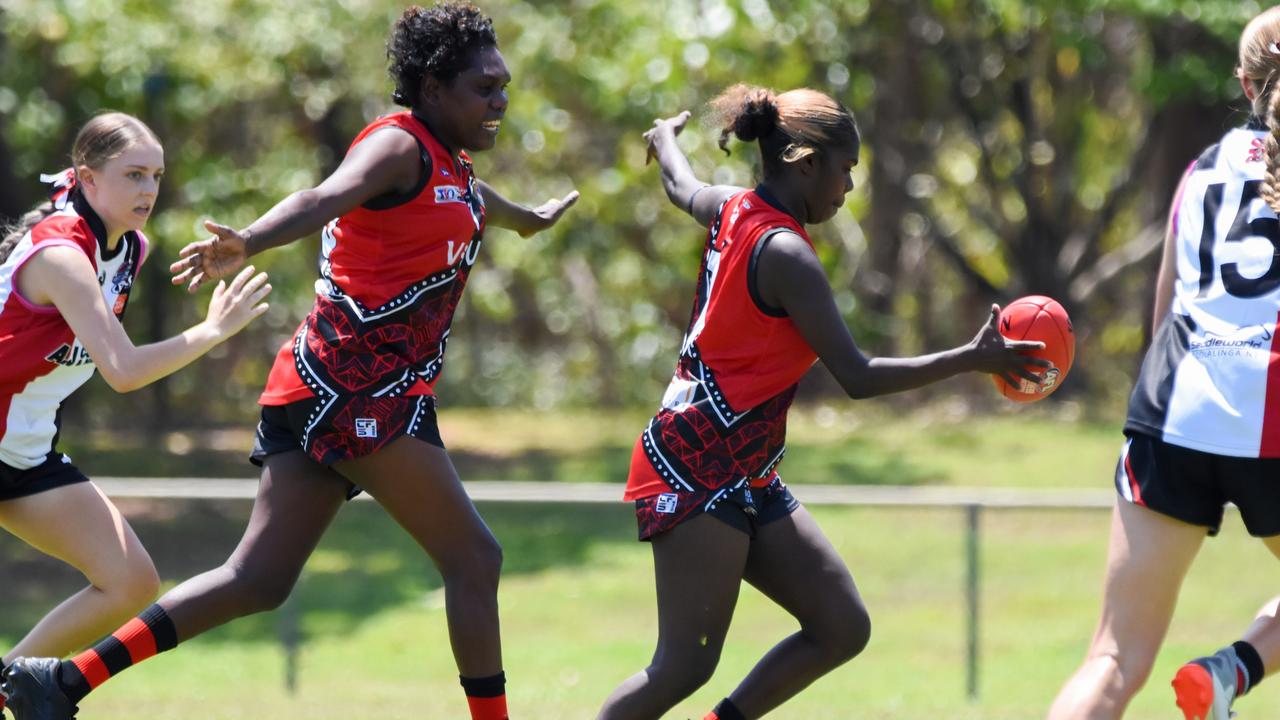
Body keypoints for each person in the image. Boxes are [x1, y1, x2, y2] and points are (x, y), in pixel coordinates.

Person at [1, 4, 576, 720]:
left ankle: (62, 682)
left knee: (257, 579)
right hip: (358, 391)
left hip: (329, 390)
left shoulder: (448, 162)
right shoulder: (399, 147)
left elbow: (477, 201)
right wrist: (251, 239)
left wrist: (529, 219)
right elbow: (323, 196)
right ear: (431, 88)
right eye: (484, 87)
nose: (500, 101)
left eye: (504, 86)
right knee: (475, 559)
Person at [596, 86, 1047, 720]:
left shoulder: (732, 208)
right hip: (695, 466)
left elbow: (680, 184)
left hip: (743, 468)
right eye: (845, 169)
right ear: (805, 161)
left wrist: (663, 137)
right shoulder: (785, 254)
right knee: (684, 665)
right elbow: (857, 377)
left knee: (840, 624)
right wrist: (971, 359)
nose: (849, 185)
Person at [1047, 8, 1280, 720]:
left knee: (1113, 659)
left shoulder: (1200, 171)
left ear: (1244, 83)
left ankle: (1232, 673)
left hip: (1174, 409)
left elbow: (1162, 314)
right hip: (1272, 414)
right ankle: (1236, 668)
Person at [0, 112, 270, 718]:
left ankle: (7, 687)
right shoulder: (63, 255)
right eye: (133, 175)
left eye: (156, 175)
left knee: (132, 583)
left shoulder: (130, 249)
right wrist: (211, 331)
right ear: (87, 179)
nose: (148, 189)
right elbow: (121, 371)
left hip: (22, 455)